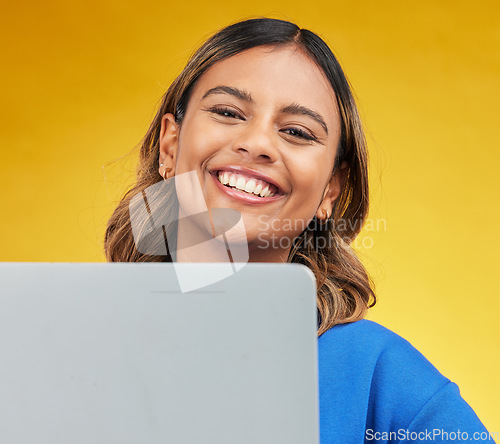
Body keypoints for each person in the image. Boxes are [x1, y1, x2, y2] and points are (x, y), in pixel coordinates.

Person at [104, 18, 495, 443]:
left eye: (296, 132)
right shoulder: (77, 343)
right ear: (170, 145)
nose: (257, 143)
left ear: (330, 189)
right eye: (227, 112)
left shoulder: (379, 375)